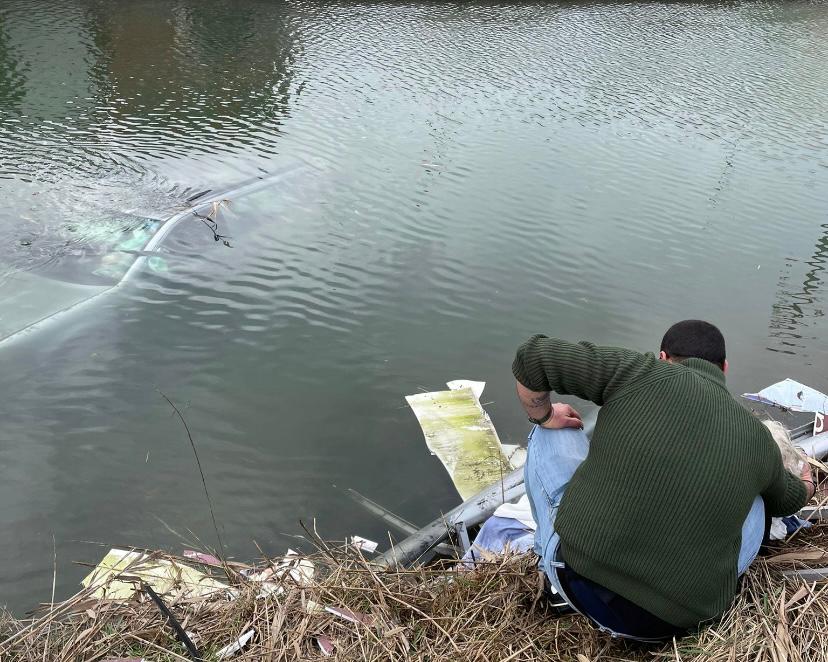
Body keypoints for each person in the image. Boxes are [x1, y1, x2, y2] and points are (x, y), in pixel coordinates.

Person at [511, 320, 814, 640]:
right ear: (724, 367)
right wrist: (807, 481)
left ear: (662, 357)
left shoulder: (638, 371)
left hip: (577, 581)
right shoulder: (758, 439)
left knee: (546, 434)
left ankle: (549, 577)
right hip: (671, 624)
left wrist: (545, 415)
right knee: (760, 498)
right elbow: (790, 499)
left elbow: (532, 358)